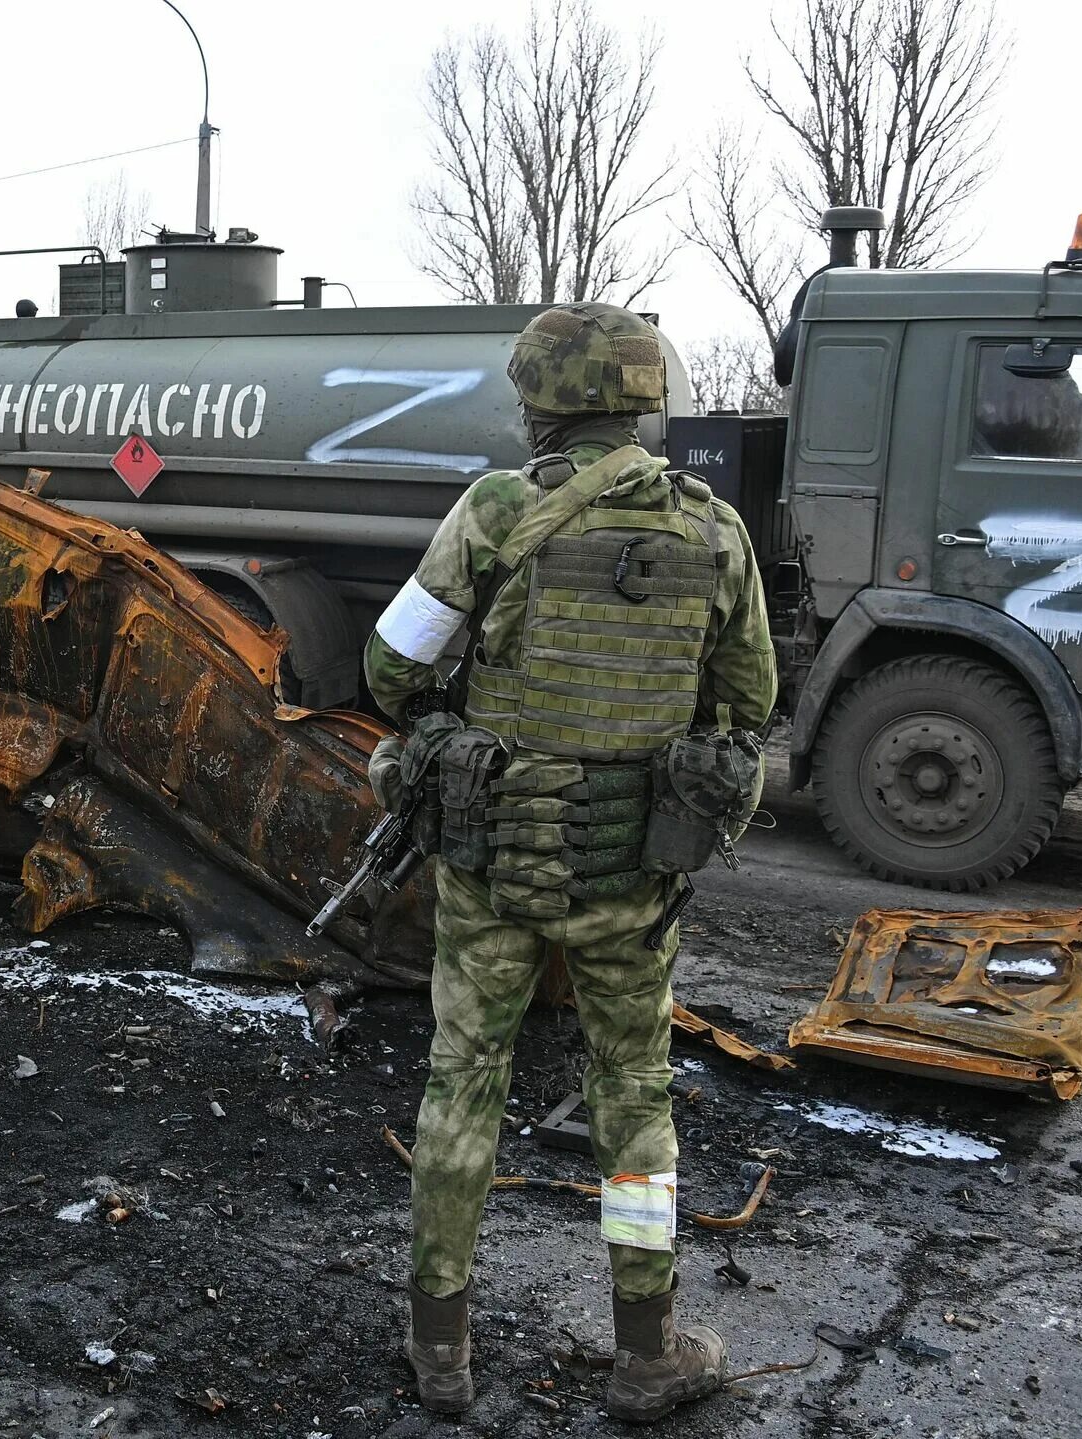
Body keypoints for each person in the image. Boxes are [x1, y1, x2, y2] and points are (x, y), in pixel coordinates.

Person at [363, 303, 778, 1423]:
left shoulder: (496, 508)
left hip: (493, 861)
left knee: (463, 1083)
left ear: (538, 401)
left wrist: (462, 718)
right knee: (635, 1104)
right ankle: (648, 1348)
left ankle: (439, 1349)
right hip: (629, 878)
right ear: (642, 401)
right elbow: (748, 706)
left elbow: (389, 670)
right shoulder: (716, 530)